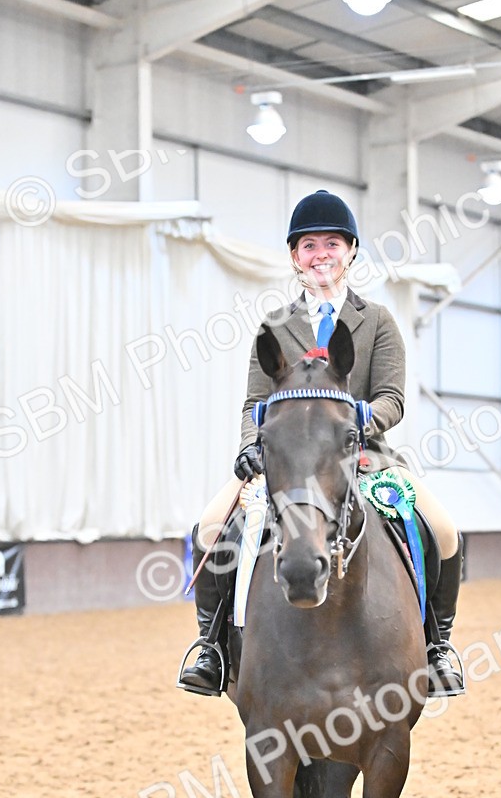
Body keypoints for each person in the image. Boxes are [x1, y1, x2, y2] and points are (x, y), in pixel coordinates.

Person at [179, 189, 465, 699]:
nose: (321, 255)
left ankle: (438, 646)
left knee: (442, 530)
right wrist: (252, 448)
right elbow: (254, 404)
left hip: (362, 458)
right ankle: (213, 648)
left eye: (332, 243)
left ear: (351, 252)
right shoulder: (276, 326)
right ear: (295, 257)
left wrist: (356, 421)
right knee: (209, 528)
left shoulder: (376, 321)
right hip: (286, 461)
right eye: (309, 245)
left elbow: (392, 399)